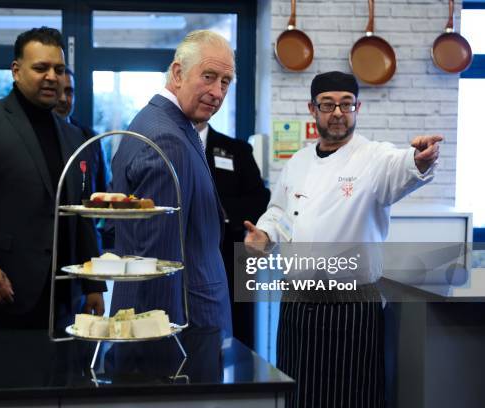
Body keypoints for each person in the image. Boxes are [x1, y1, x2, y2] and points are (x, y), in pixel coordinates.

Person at [244, 71, 442, 408]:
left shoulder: (375, 157)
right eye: (328, 104)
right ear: (312, 108)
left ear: (357, 108)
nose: (338, 112)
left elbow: (402, 166)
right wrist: (265, 235)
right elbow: (279, 212)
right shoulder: (298, 162)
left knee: (353, 397)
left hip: (352, 309)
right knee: (298, 396)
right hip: (297, 306)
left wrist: (419, 159)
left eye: (347, 104)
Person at [0, 27, 105, 332]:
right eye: (40, 68)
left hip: (60, 293)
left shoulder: (72, 136)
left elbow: (80, 214)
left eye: (58, 69)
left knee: (56, 377)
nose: (52, 77)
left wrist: (92, 283)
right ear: (16, 71)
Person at [110, 30, 234, 336]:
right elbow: (159, 262)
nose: (217, 92)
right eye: (208, 76)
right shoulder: (168, 139)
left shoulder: (162, 124)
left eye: (225, 81)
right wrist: (162, 346)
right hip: (180, 328)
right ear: (178, 73)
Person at [195, 121, 270, 348]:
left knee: (239, 332)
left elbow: (259, 198)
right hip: (184, 256)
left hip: (232, 256)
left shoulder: (236, 149)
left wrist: (220, 210)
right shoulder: (168, 146)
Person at [54, 68, 108, 194]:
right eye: (57, 91)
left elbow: (103, 189)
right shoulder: (35, 136)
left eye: (69, 92)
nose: (63, 99)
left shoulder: (90, 139)